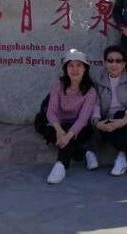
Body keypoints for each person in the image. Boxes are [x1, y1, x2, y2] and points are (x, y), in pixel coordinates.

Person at [88, 46, 127, 175]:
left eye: (118, 61)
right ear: (104, 63)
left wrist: (123, 121)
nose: (114, 64)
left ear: (124, 64)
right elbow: (96, 105)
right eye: (110, 60)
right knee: (108, 123)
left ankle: (120, 158)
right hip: (108, 119)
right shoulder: (99, 80)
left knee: (120, 115)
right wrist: (97, 122)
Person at [42, 49, 97, 184]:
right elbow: (51, 112)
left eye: (79, 65)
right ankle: (84, 153)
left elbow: (83, 119)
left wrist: (66, 136)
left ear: (85, 69)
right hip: (59, 124)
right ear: (66, 69)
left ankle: (61, 165)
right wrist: (60, 131)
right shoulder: (58, 86)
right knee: (44, 126)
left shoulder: (90, 91)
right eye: (70, 65)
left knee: (78, 132)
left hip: (79, 127)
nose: (75, 69)